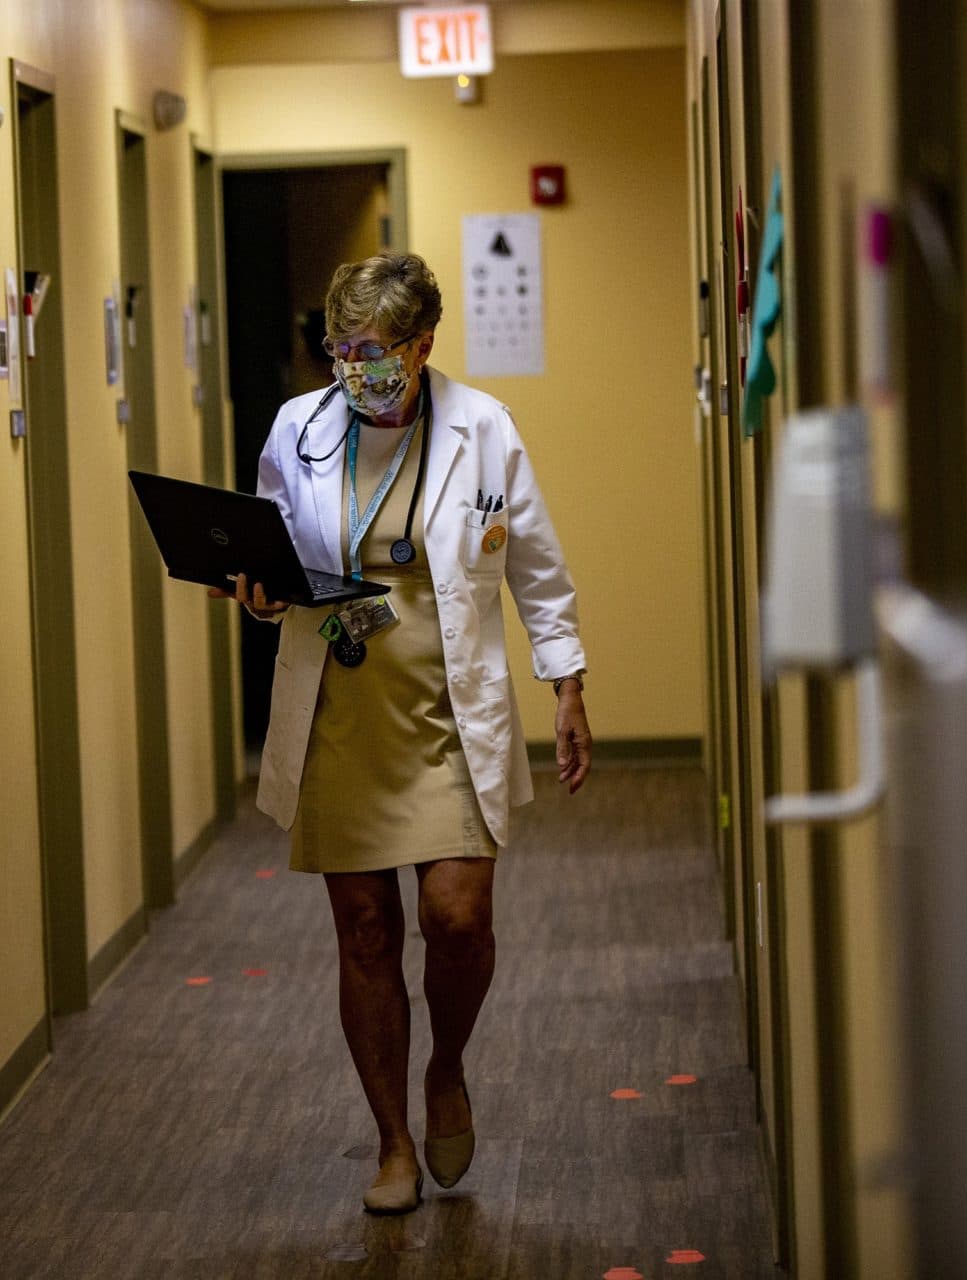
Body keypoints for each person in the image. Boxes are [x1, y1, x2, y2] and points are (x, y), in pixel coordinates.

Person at [209, 252, 591, 1215]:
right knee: (366, 931)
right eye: (342, 350)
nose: (357, 370)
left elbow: (536, 568)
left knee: (458, 920)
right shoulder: (298, 428)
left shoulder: (483, 428)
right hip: (344, 708)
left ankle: (447, 1069)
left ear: (424, 345)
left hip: (447, 713)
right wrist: (256, 593)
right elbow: (273, 551)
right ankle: (390, 1144)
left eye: (376, 351)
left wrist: (567, 684)